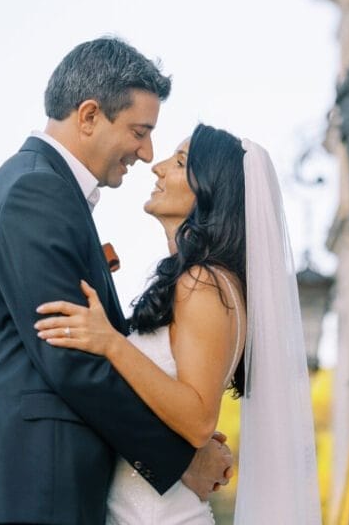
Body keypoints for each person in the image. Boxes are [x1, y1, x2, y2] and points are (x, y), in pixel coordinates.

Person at [0, 38, 232, 525]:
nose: (147, 151)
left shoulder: (41, 187)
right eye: (139, 131)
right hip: (33, 482)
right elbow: (70, 357)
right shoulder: (36, 190)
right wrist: (181, 460)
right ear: (90, 115)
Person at [34, 125, 322, 525]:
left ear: (210, 190)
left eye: (180, 162)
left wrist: (111, 344)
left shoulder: (203, 283)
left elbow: (199, 418)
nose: (158, 168)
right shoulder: (201, 282)